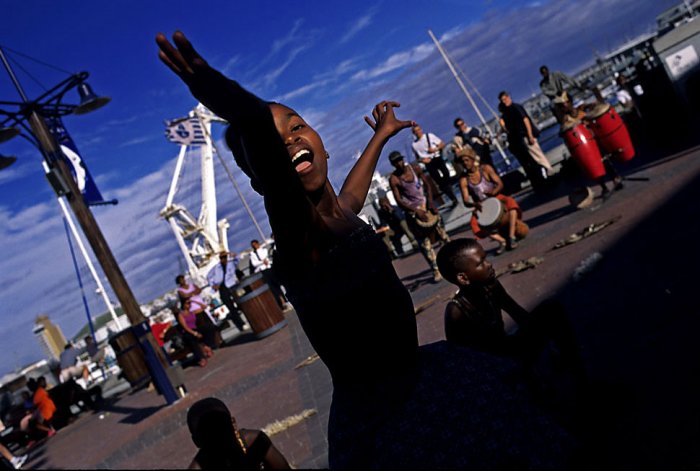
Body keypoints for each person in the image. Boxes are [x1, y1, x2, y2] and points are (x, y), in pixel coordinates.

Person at [156, 32, 577, 469]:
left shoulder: (339, 215)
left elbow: (353, 192)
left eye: (297, 126)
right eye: (271, 144)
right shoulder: (302, 237)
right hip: (387, 415)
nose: (289, 140)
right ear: (262, 181)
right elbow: (265, 141)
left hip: (422, 375)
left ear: (320, 139)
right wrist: (226, 97)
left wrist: (381, 135)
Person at [436, 238, 588, 390]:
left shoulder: (491, 286)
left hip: (509, 350)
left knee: (551, 309)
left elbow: (517, 313)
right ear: (463, 278)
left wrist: (544, 335)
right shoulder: (456, 312)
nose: (489, 264)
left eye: (486, 258)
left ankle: (578, 375)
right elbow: (460, 362)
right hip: (490, 371)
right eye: (480, 263)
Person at [388, 150, 450, 282]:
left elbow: (427, 184)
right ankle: (436, 269)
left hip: (426, 205)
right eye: (395, 162)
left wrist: (431, 201)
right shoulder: (394, 179)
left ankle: (454, 259)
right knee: (425, 244)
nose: (399, 164)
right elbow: (398, 200)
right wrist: (415, 211)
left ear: (402, 159)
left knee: (443, 234)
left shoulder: (414, 168)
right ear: (393, 165)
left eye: (400, 160)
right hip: (413, 212)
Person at [186, 397, 290, 469]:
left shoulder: (254, 442)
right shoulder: (199, 467)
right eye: (211, 437)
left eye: (222, 429)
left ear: (233, 424)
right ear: (197, 441)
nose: (220, 439)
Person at [457, 147, 526, 254]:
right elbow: (466, 200)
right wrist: (474, 204)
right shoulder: (464, 179)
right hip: (481, 204)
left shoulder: (485, 169)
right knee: (475, 223)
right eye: (462, 162)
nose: (465, 163)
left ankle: (511, 236)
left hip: (496, 197)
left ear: (472, 159)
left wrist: (493, 192)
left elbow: (500, 184)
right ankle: (501, 241)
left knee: (511, 204)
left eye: (466, 160)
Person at [498, 91, 553, 191]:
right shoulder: (508, 112)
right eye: (502, 101)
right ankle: (545, 174)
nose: (504, 102)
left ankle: (548, 170)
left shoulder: (516, 108)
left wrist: (530, 135)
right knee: (534, 157)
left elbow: (525, 120)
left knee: (537, 155)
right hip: (521, 138)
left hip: (526, 135)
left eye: (505, 99)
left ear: (508, 97)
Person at [410, 124, 459, 208]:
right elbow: (417, 158)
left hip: (436, 157)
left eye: (418, 130)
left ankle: (449, 188)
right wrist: (423, 160)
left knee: (446, 173)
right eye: (415, 131)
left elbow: (442, 144)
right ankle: (453, 198)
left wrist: (435, 149)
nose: (418, 132)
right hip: (428, 163)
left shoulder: (429, 136)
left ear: (421, 129)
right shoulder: (414, 145)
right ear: (414, 133)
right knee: (439, 181)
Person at [206, 252, 248, 332]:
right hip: (222, 288)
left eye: (225, 257)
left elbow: (238, 259)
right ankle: (241, 324)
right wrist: (213, 284)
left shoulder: (231, 263)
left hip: (231, 285)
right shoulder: (216, 267)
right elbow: (208, 276)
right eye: (222, 258)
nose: (223, 259)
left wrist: (233, 254)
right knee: (230, 307)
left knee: (241, 303)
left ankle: (248, 319)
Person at [176, 302, 210, 368]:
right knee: (192, 340)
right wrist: (195, 333)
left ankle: (206, 346)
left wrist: (194, 301)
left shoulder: (192, 312)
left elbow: (204, 307)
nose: (189, 304)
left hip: (195, 329)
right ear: (183, 305)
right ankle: (200, 358)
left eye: (190, 303)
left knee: (207, 328)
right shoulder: (181, 315)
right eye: (187, 303)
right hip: (188, 332)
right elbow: (185, 327)